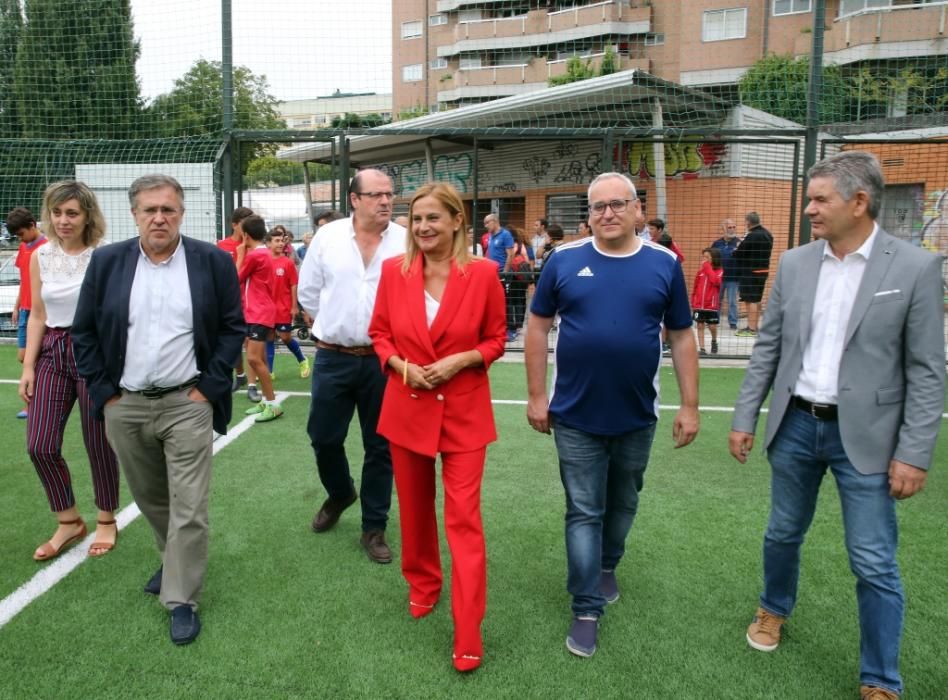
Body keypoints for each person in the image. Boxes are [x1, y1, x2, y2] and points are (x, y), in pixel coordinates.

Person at [729, 152, 944, 700]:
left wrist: (914, 452)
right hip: (797, 425)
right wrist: (744, 416)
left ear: (859, 202)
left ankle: (880, 678)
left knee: (873, 559)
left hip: (868, 440)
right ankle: (773, 608)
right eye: (810, 198)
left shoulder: (915, 268)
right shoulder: (797, 263)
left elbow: (926, 370)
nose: (809, 210)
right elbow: (768, 349)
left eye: (820, 199)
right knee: (782, 532)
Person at [525, 172, 699, 659]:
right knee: (584, 510)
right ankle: (585, 608)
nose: (607, 213)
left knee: (623, 503)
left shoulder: (664, 264)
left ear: (637, 210)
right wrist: (537, 396)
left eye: (618, 204)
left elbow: (682, 335)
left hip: (638, 414)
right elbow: (536, 329)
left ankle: (607, 565)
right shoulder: (563, 260)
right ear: (589, 212)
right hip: (575, 416)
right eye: (598, 206)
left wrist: (689, 405)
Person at [72, 174, 244, 645]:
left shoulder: (212, 262)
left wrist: (208, 388)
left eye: (168, 209)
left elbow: (232, 329)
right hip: (124, 404)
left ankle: (181, 598)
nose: (159, 218)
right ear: (134, 215)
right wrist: (105, 392)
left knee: (190, 507)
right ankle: (173, 561)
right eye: (150, 210)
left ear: (182, 213)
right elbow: (83, 332)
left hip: (187, 403)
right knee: (152, 499)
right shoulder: (107, 262)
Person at [368, 182, 507, 673]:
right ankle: (423, 583)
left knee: (464, 520)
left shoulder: (486, 273)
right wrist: (402, 366)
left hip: (465, 414)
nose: (423, 227)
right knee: (414, 509)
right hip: (406, 408)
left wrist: (463, 360)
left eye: (433, 218)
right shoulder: (393, 272)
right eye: (417, 219)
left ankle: (468, 631)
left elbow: (495, 339)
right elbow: (379, 334)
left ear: (456, 221)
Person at [297, 169, 406, 563]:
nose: (385, 202)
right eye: (376, 195)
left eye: (389, 195)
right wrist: (332, 325)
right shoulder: (328, 237)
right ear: (354, 199)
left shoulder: (406, 240)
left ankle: (373, 527)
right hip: (333, 356)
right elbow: (307, 292)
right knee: (324, 437)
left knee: (381, 447)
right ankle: (341, 493)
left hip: (385, 361)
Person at [18, 182, 120, 562]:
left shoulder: (103, 257)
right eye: (57, 213)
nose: (63, 221)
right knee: (40, 444)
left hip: (93, 351)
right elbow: (38, 315)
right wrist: (28, 365)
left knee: (98, 444)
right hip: (51, 353)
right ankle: (69, 521)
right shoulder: (38, 257)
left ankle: (106, 518)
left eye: (72, 213)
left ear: (87, 216)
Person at [237, 215, 282, 423]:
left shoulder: (256, 255)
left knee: (254, 358)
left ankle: (273, 404)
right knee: (258, 358)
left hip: (259, 313)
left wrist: (239, 254)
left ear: (245, 235)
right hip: (259, 312)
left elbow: (236, 278)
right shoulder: (263, 254)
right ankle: (266, 401)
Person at [6, 207, 47, 419]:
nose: (20, 239)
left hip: (40, 312)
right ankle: (39, 397)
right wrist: (16, 306)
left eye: (22, 233)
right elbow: (24, 279)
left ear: (32, 225)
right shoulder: (24, 247)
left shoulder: (46, 247)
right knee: (24, 357)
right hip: (25, 310)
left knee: (35, 359)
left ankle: (33, 405)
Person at [265, 230, 310, 379]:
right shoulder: (263, 260)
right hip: (267, 307)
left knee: (285, 337)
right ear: (268, 243)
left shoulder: (287, 262)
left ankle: (302, 360)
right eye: (276, 241)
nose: (280, 243)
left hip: (283, 307)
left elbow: (293, 285)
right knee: (269, 337)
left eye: (281, 241)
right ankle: (269, 371)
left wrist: (294, 305)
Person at [218, 206, 253, 392]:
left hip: (251, 302)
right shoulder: (223, 246)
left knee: (251, 343)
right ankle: (240, 375)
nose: (247, 227)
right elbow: (230, 276)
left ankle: (253, 383)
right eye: (243, 223)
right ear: (234, 225)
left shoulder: (254, 247)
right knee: (234, 340)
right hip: (230, 301)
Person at [734, 211, 773, 337]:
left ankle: (751, 329)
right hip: (763, 270)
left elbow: (739, 253)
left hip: (750, 271)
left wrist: (738, 246)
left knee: (750, 300)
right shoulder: (767, 234)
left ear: (748, 222)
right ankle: (755, 326)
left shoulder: (751, 235)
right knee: (756, 299)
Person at [691, 247, 723, 355]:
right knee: (700, 325)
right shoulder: (700, 272)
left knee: (712, 326)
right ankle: (702, 348)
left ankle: (714, 341)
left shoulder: (719, 271)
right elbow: (695, 287)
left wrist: (707, 267)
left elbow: (715, 281)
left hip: (711, 305)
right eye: (703, 257)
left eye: (707, 257)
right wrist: (693, 300)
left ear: (714, 259)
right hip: (699, 305)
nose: (704, 259)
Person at [710, 219, 741, 330]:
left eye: (734, 227)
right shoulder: (717, 243)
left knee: (732, 301)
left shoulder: (739, 243)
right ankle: (715, 319)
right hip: (719, 277)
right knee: (717, 300)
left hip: (733, 277)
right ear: (723, 229)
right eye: (729, 227)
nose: (732, 229)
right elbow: (710, 258)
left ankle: (733, 322)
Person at [505, 226, 534, 342]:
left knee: (513, 301)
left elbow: (527, 261)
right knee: (519, 300)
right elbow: (527, 262)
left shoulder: (513, 246)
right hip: (519, 276)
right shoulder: (521, 246)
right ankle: (517, 325)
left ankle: (514, 326)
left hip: (514, 276)